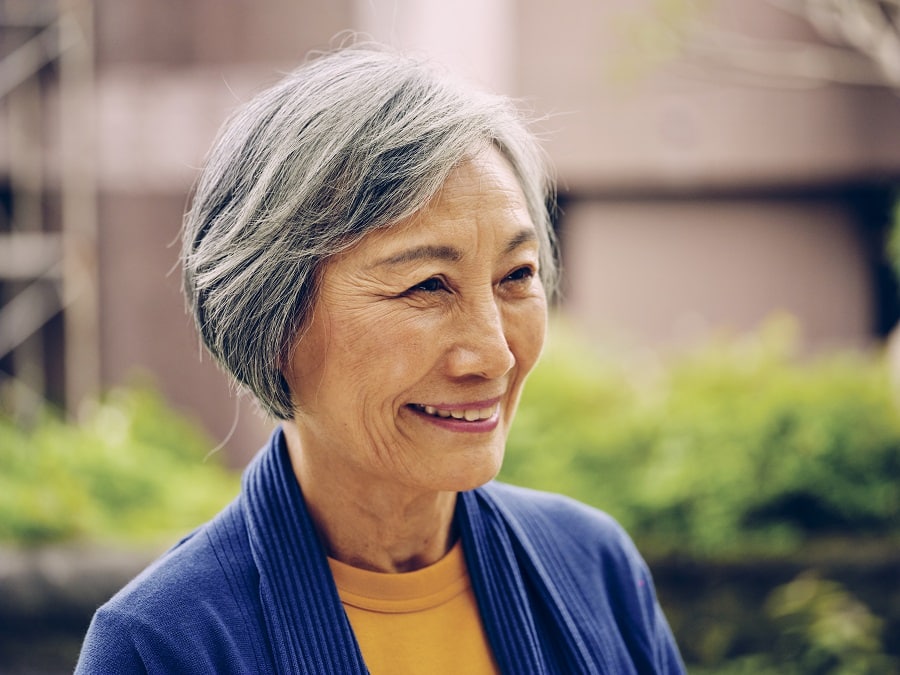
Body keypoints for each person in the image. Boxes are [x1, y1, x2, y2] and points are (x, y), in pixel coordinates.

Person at [76, 44, 685, 674]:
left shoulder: (593, 569)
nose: (496, 354)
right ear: (271, 318)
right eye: (428, 285)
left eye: (517, 275)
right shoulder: (161, 646)